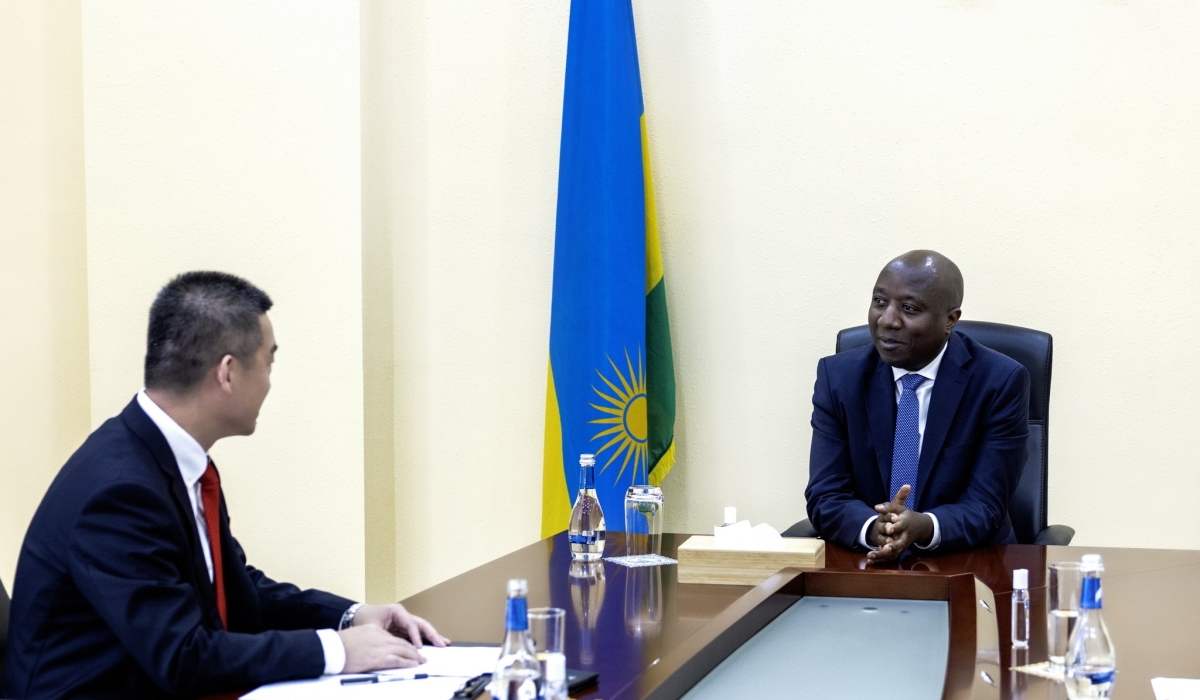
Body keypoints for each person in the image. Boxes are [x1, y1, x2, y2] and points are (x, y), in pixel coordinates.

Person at [1, 272, 449, 699]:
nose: (271, 383)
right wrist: (335, 652)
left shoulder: (168, 457)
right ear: (228, 372)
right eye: (269, 362)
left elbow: (237, 591)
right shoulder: (119, 492)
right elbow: (181, 656)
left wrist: (349, 618)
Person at [803, 251, 1029, 562]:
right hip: (864, 564)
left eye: (909, 308)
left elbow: (985, 506)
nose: (887, 320)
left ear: (950, 320)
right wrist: (873, 528)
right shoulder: (839, 378)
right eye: (879, 302)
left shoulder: (999, 382)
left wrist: (923, 527)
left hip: (967, 562)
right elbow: (826, 495)